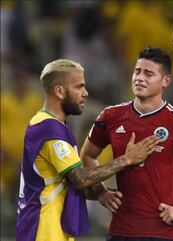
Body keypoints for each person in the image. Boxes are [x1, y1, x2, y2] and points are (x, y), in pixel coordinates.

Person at [80, 47, 173, 241]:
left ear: (166, 81)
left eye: (149, 73)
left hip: (162, 233)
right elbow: (87, 155)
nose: (140, 78)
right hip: (120, 232)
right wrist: (100, 192)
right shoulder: (111, 116)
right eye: (137, 71)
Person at [16, 59, 159, 241]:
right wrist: (127, 159)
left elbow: (62, 184)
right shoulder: (49, 129)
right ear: (60, 91)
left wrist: (100, 193)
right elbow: (81, 178)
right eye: (79, 87)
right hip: (43, 230)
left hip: (50, 228)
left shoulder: (51, 125)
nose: (85, 93)